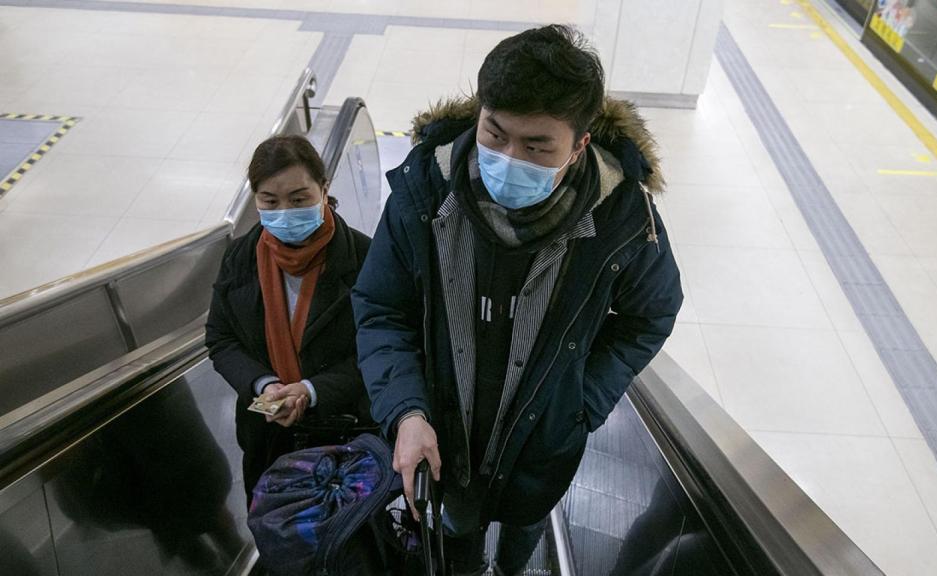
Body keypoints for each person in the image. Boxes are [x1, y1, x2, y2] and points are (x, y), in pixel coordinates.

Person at [352, 25, 683, 576]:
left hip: (540, 447)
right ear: (481, 113)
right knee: (456, 545)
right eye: (495, 133)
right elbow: (382, 308)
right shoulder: (426, 191)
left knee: (523, 530)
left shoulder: (620, 218)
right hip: (441, 439)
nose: (508, 157)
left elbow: (651, 314)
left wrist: (582, 402)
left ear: (579, 146)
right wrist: (406, 410)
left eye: (536, 147)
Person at [206, 135, 373, 501]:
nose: (285, 212)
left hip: (345, 438)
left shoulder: (365, 258)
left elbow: (380, 349)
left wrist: (312, 391)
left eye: (299, 200)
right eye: (270, 201)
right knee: (274, 532)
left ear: (324, 189)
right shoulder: (241, 257)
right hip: (267, 439)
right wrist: (264, 385)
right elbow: (221, 338)